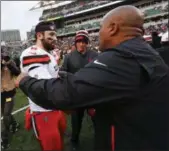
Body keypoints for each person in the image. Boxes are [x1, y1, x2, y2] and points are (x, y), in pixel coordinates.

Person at [16, 6, 169, 151]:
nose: (98, 33)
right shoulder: (147, 52)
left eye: (100, 28)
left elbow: (64, 94)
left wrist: (24, 80)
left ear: (113, 28)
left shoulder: (121, 58)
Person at [19, 21, 66, 151]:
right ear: (39, 35)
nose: (55, 38)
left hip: (55, 107)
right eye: (51, 34)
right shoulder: (32, 53)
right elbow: (44, 88)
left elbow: (53, 76)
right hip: (43, 111)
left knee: (60, 143)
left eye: (55, 35)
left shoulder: (48, 53)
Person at [60, 30, 98, 150]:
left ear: (87, 42)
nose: (81, 44)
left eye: (84, 41)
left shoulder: (94, 55)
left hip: (92, 95)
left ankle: (102, 138)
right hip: (77, 95)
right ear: (75, 43)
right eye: (79, 41)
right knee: (76, 121)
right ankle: (74, 140)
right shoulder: (68, 57)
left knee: (98, 119)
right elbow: (62, 72)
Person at [1, 54, 20, 149]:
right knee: (5, 113)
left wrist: (8, 64)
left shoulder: (9, 62)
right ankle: (14, 124)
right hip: (1, 93)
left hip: (9, 92)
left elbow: (17, 72)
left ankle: (4, 138)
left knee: (6, 115)